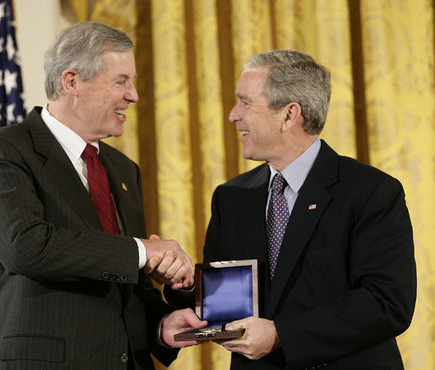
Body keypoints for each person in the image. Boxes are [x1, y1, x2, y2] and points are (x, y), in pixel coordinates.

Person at [0, 21, 206, 369]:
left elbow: (127, 281)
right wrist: (142, 250)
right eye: (121, 81)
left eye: (133, 81)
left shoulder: (124, 169)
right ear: (72, 82)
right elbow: (26, 247)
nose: (134, 95)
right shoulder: (4, 150)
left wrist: (159, 326)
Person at [168, 49, 416, 369]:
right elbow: (226, 305)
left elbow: (387, 302)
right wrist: (186, 284)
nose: (232, 115)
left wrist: (282, 334)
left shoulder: (371, 192)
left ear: (289, 115)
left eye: (245, 102)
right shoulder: (231, 197)